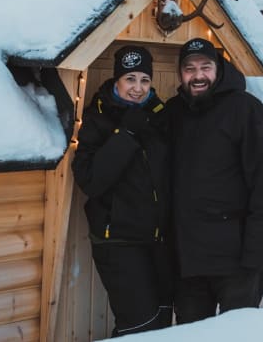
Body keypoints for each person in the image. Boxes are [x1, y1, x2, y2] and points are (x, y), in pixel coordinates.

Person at [166, 37, 263, 324]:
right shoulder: (173, 113)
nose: (197, 76)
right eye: (189, 68)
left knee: (237, 334)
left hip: (237, 260)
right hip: (188, 260)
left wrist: (258, 254)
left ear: (218, 69)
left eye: (205, 67)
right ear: (181, 74)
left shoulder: (246, 110)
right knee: (191, 335)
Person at [72, 45, 173, 337]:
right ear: (117, 80)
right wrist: (126, 134)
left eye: (144, 79)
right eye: (130, 79)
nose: (138, 89)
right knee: (138, 327)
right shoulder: (97, 118)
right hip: (118, 241)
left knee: (162, 323)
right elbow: (91, 180)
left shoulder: (160, 115)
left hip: (159, 240)